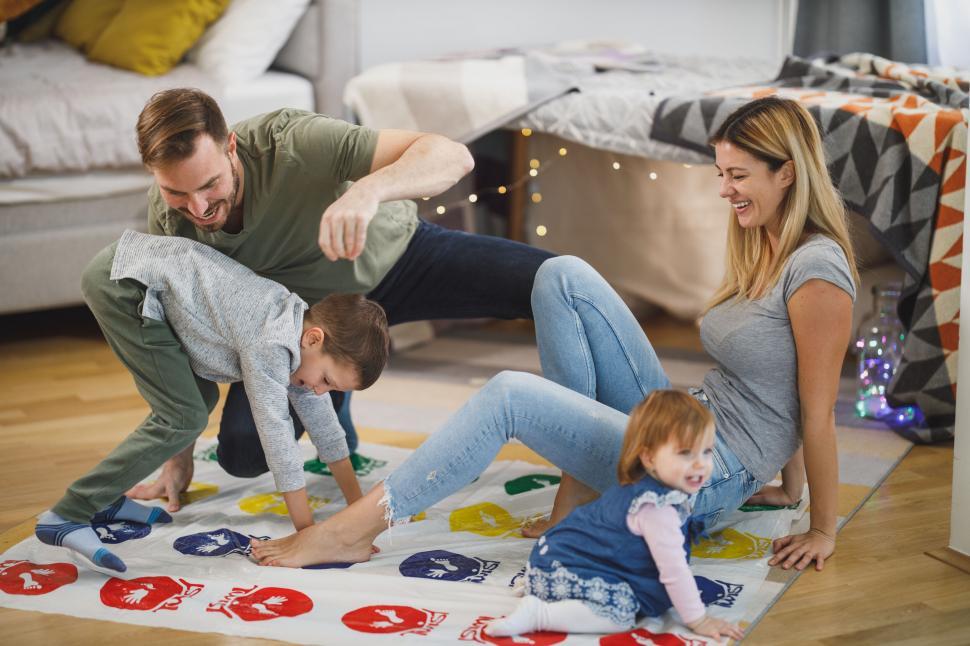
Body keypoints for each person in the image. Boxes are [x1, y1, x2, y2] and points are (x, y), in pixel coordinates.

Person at [250, 96, 858, 575]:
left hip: (704, 477)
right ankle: (576, 495)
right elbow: (777, 375)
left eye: (739, 175)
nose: (724, 190)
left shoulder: (818, 270)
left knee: (511, 394)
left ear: (788, 174)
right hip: (686, 423)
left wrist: (821, 527)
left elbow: (817, 407)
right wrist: (786, 486)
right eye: (722, 172)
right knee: (560, 275)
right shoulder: (767, 247)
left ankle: (352, 531)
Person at [122, 88, 554, 511]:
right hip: (306, 325)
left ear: (230, 146)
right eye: (176, 192)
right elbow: (176, 338)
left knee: (551, 282)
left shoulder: (291, 142)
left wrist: (366, 191)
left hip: (397, 261)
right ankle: (330, 383)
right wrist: (176, 457)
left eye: (210, 184)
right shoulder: (168, 223)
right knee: (242, 455)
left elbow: (452, 156)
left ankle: (614, 440)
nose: (197, 207)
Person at [35, 230, 389, 572]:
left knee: (197, 401)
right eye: (326, 380)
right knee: (182, 417)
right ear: (314, 339)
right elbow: (278, 438)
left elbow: (325, 427)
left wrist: (358, 515)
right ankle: (68, 513)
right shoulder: (272, 341)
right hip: (127, 282)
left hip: (140, 279)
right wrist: (309, 534)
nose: (319, 391)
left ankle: (102, 498)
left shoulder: (298, 339)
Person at [484, 390, 743, 641]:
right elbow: (673, 570)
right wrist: (699, 619)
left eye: (707, 451)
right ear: (649, 457)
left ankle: (547, 591)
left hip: (554, 559)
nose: (701, 464)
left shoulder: (647, 487)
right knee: (620, 615)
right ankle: (540, 614)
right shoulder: (656, 508)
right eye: (685, 453)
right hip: (565, 567)